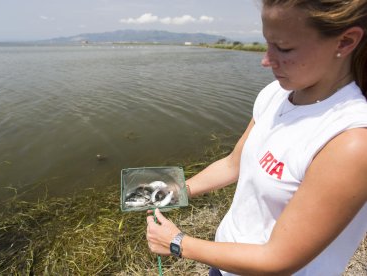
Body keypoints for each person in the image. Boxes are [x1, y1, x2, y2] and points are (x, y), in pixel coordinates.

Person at [146, 0, 367, 275]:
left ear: (345, 42)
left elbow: (277, 259)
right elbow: (232, 164)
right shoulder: (275, 94)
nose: (265, 60)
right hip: (225, 260)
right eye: (267, 43)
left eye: (284, 48)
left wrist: (178, 242)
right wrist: (176, 191)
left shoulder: (350, 142)